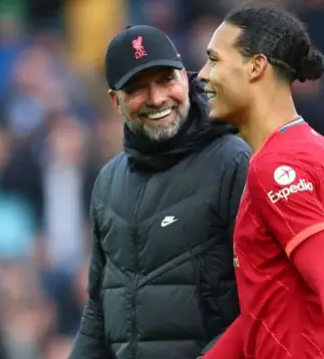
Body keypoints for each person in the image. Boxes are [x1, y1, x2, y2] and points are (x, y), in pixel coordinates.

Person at [196, 4, 324, 359]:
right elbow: (265, 307)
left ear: (256, 67)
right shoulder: (316, 147)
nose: (203, 74)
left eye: (215, 60)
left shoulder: (277, 164)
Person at [69, 25, 251, 359]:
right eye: (138, 88)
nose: (156, 99)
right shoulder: (108, 182)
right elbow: (98, 311)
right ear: (115, 101)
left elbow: (260, 304)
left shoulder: (233, 161)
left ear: (185, 76)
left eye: (165, 80)